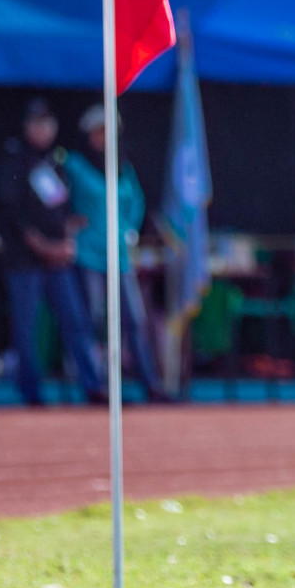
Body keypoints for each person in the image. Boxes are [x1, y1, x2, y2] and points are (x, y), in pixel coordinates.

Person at [0, 98, 104, 407]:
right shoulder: (14, 161)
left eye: (48, 123)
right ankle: (32, 393)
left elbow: (58, 208)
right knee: (26, 329)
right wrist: (43, 245)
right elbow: (13, 215)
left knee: (76, 321)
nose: (44, 129)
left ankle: (92, 385)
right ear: (27, 127)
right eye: (37, 123)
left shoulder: (55, 161)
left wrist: (67, 236)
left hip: (57, 260)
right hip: (25, 260)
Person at [65, 104, 168, 402]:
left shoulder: (122, 167)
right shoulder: (74, 164)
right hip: (87, 254)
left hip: (119, 256)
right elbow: (57, 200)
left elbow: (135, 202)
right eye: (97, 131)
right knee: (93, 320)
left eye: (108, 130)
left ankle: (151, 385)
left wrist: (128, 229)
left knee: (134, 320)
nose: (103, 137)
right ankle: (96, 385)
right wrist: (64, 223)